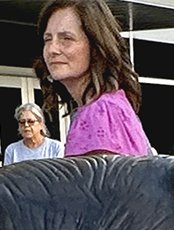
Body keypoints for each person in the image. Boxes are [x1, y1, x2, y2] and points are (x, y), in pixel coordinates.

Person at [39, 0, 152, 159]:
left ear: (96, 45)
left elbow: (103, 183)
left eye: (66, 38)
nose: (52, 49)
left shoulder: (101, 111)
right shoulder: (107, 104)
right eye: (47, 39)